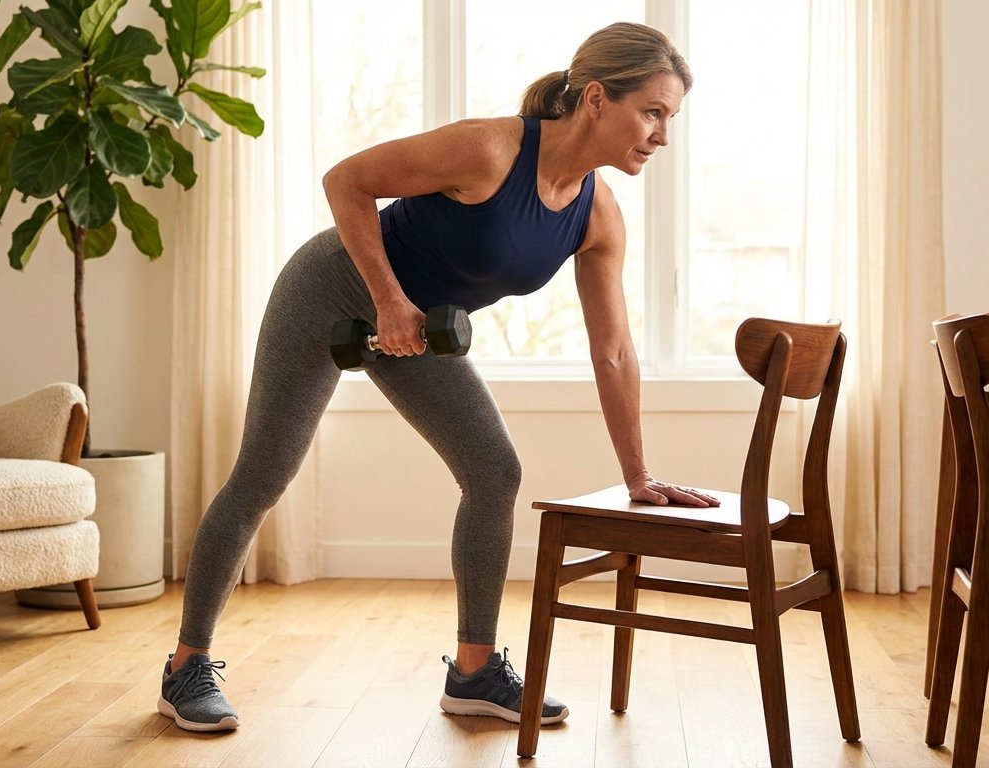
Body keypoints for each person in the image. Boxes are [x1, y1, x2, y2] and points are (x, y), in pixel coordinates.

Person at [157, 21, 716, 733]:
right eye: (654, 112)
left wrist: (638, 474)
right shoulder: (488, 148)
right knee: (263, 475)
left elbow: (614, 351)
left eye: (670, 118)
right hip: (332, 288)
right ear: (599, 98)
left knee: (494, 471)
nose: (662, 135)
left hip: (418, 330)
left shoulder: (595, 214)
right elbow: (347, 181)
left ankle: (475, 673)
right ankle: (185, 669)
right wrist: (389, 298)